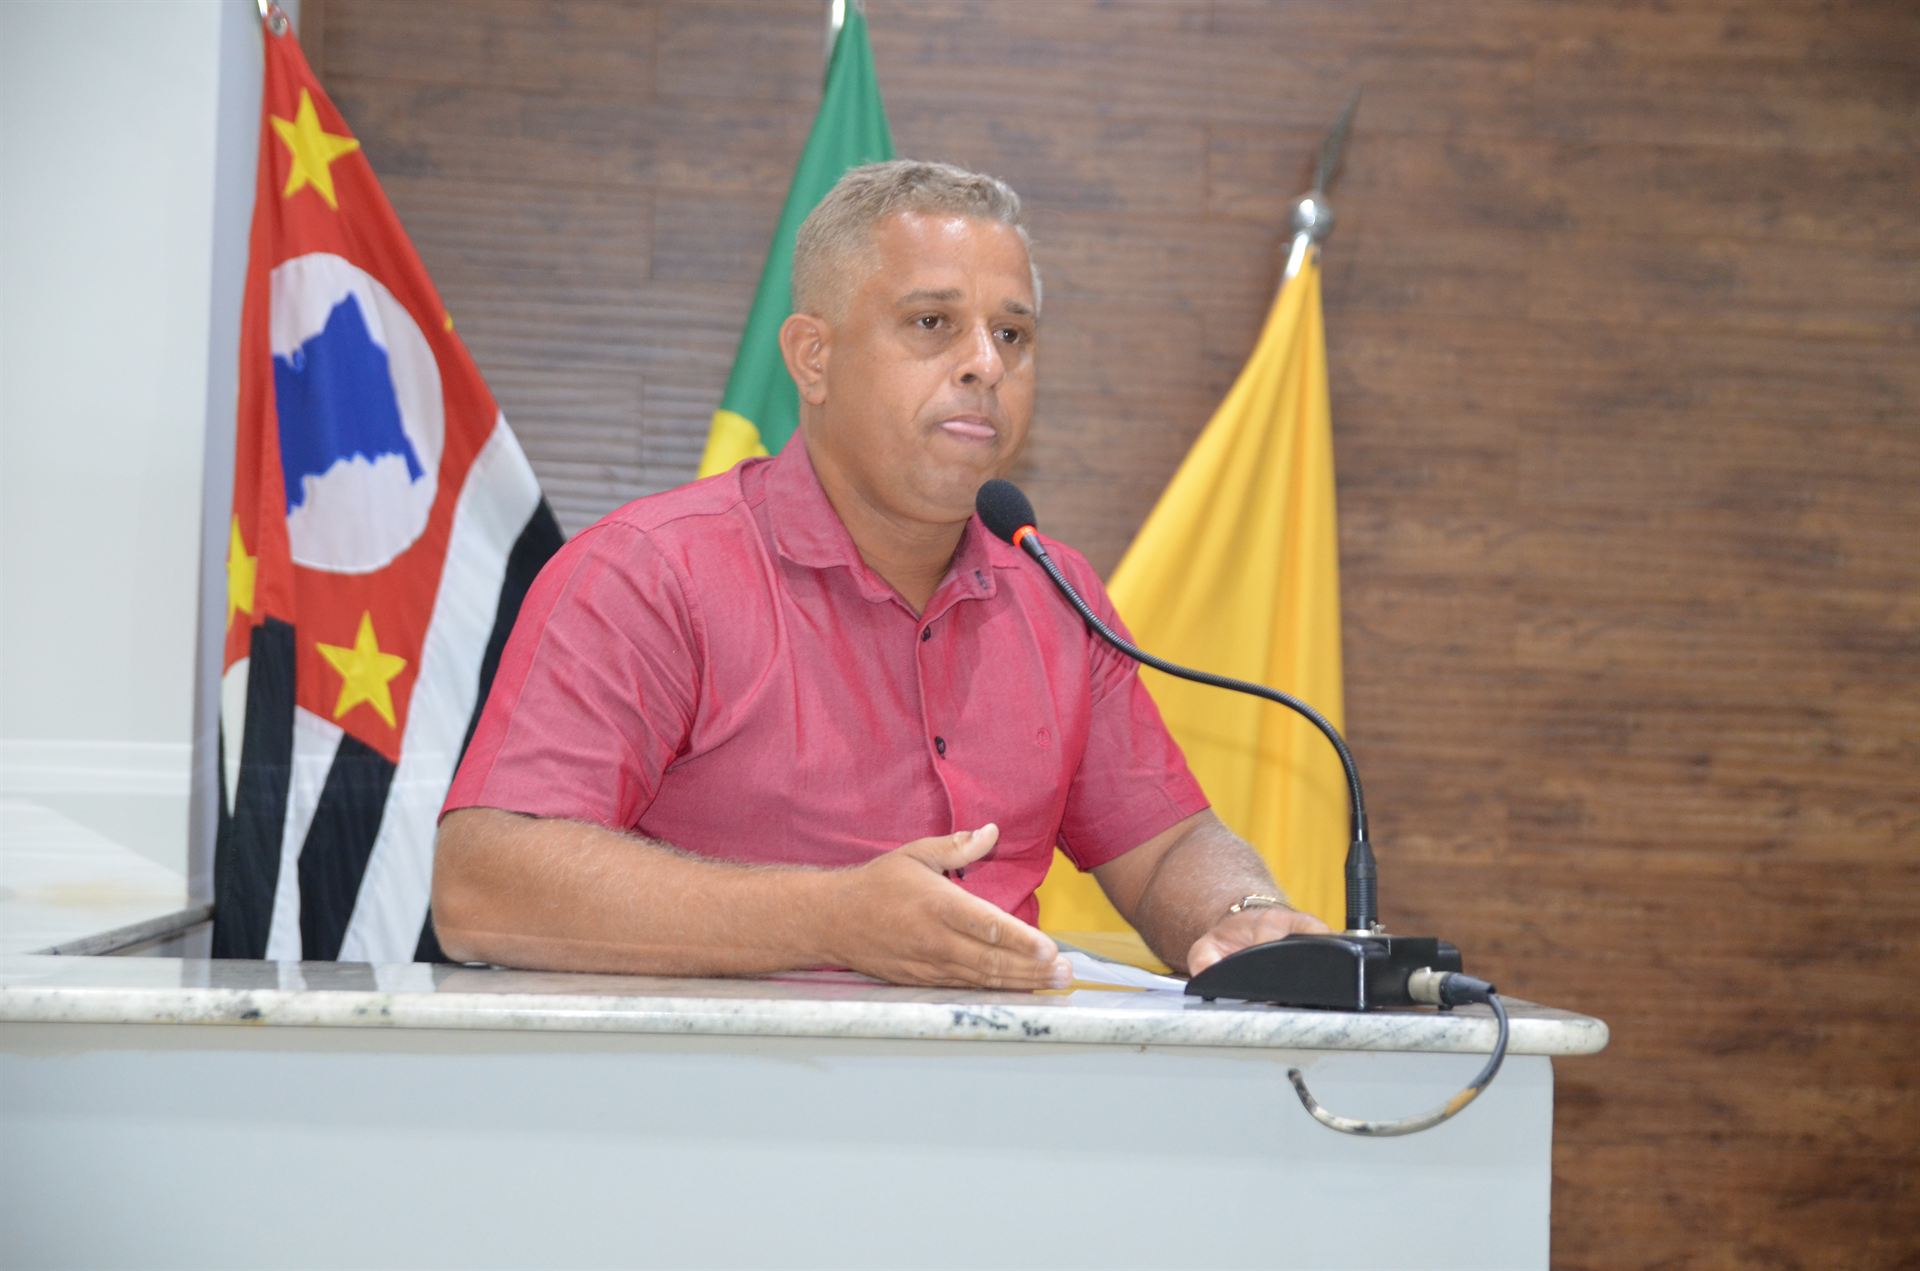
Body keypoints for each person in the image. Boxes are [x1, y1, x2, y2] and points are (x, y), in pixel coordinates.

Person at [433, 160, 1329, 989]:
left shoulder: (1054, 592)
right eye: (933, 323)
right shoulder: (650, 572)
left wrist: (1240, 913)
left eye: (1012, 333)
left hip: (1002, 1092)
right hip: (715, 1094)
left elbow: (1166, 848)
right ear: (812, 358)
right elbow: (483, 886)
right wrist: (829, 920)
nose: (986, 363)